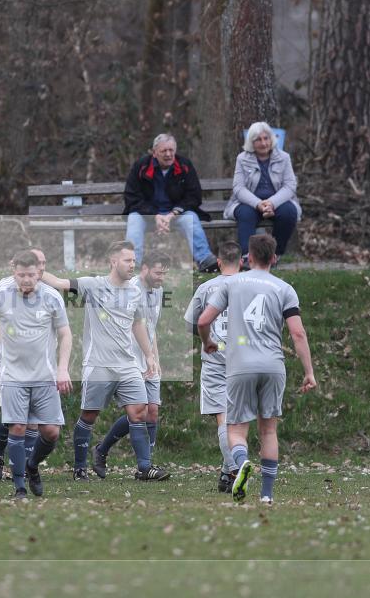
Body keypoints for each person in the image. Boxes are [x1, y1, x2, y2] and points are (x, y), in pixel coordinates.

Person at [197, 234, 316, 504]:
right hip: (273, 366)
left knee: (237, 430)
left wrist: (208, 342)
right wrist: (309, 372)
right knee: (269, 431)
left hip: (240, 366)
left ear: (247, 258)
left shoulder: (233, 283)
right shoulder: (285, 288)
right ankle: (266, 495)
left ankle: (241, 464)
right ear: (274, 258)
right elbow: (298, 333)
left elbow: (204, 320)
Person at [43, 240, 169, 482]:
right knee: (89, 416)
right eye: (127, 260)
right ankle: (80, 467)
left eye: (134, 260)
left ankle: (144, 467)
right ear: (113, 261)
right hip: (99, 365)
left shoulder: (135, 291)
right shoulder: (94, 284)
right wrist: (38, 273)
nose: (132, 265)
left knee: (139, 412)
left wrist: (150, 356)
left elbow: (138, 323)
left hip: (128, 365)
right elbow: (60, 283)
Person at [0, 250, 72, 499]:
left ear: (38, 273)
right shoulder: (1, 296)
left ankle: (32, 465)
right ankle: (20, 487)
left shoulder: (52, 297)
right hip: (13, 376)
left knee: (51, 432)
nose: (26, 280)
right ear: (14, 272)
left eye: (31, 275)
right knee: (18, 428)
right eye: (21, 275)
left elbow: (65, 334)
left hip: (44, 376)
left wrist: (62, 368)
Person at [91, 250, 169, 478]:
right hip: (128, 360)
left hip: (147, 359)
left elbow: (151, 328)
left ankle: (145, 463)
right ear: (144, 269)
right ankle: (107, 452)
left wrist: (155, 357)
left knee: (152, 412)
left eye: (164, 274)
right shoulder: (129, 289)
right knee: (140, 412)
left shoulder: (158, 290)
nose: (160, 278)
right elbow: (130, 326)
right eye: (157, 273)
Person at [183, 241, 242, 492]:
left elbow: (190, 323)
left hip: (216, 359)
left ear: (218, 263)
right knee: (239, 422)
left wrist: (207, 339)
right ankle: (227, 472)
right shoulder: (252, 287)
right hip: (246, 360)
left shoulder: (207, 288)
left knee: (223, 418)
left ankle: (234, 470)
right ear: (241, 261)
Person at [0, 247, 47, 481]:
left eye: (43, 263)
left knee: (33, 419)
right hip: (10, 361)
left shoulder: (47, 292)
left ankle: (25, 467)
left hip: (39, 363)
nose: (40, 267)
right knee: (14, 415)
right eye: (36, 262)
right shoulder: (1, 289)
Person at [123, 133, 218, 272]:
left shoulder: (184, 165)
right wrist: (155, 215)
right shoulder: (141, 166)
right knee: (133, 219)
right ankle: (133, 265)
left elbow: (194, 196)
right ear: (154, 153)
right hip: (147, 216)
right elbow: (132, 197)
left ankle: (205, 261)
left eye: (171, 150)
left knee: (191, 219)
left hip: (176, 215)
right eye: (164, 151)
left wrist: (173, 213)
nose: (168, 154)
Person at [225, 122, 301, 267]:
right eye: (258, 139)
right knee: (245, 214)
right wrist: (259, 204)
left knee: (289, 212)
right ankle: (248, 258)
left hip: (277, 203)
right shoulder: (242, 158)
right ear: (251, 142)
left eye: (266, 138)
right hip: (250, 203)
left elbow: (290, 186)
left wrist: (271, 203)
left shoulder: (284, 157)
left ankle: (273, 255)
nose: (263, 143)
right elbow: (239, 188)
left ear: (271, 139)